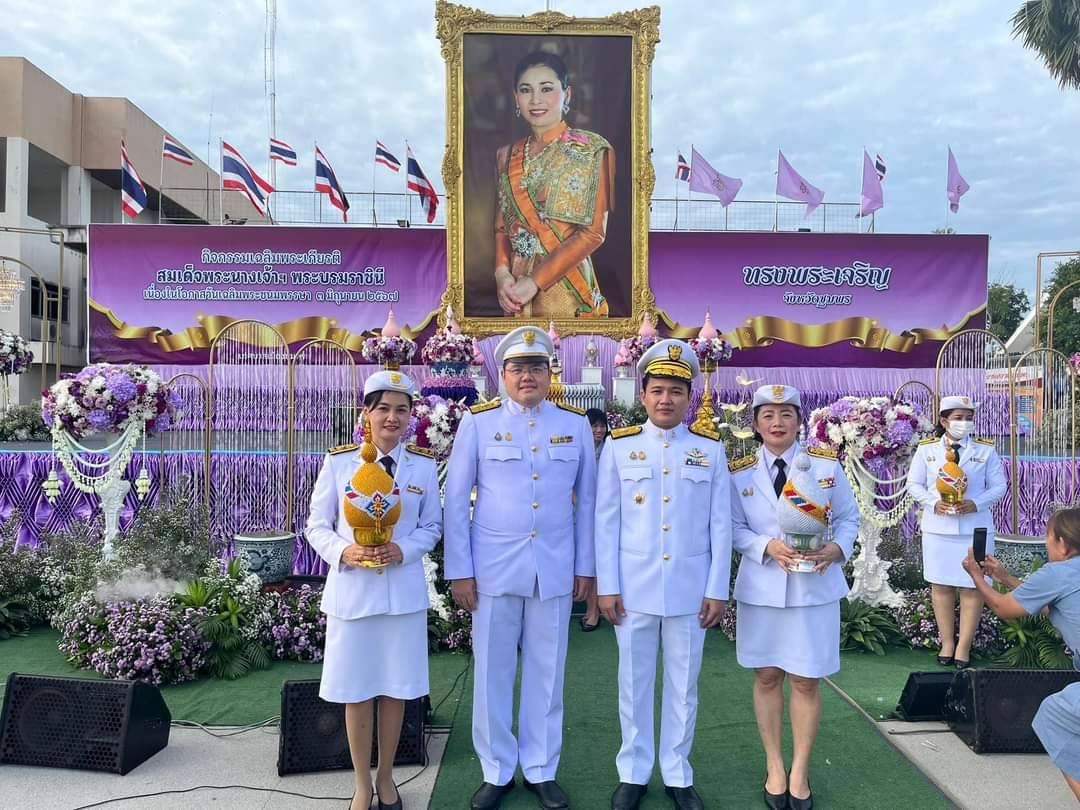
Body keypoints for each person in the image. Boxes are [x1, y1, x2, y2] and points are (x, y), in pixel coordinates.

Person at [444, 325, 597, 810]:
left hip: (553, 566)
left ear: (550, 373)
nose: (527, 376)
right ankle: (496, 769)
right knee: (493, 671)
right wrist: (460, 571)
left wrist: (586, 567)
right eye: (518, 368)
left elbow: (588, 503)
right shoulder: (478, 423)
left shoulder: (574, 424)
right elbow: (456, 502)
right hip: (493, 568)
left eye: (536, 367)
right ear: (502, 374)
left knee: (547, 672)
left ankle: (541, 768)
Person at [595, 339, 732, 810]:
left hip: (691, 589)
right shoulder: (620, 446)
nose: (665, 399)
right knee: (633, 684)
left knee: (683, 685)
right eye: (657, 390)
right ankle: (633, 772)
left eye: (675, 391)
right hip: (633, 587)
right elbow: (605, 521)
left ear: (689, 396)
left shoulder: (710, 450)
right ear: (643, 394)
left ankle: (677, 772)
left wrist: (717, 588)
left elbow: (720, 524)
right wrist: (607, 586)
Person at [306, 370, 442, 810]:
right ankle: (362, 784)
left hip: (401, 596)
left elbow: (432, 526)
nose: (392, 418)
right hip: (353, 595)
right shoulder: (340, 463)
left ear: (411, 416)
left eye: (401, 410)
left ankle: (386, 777)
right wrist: (344, 552)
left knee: (396, 689)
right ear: (366, 412)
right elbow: (316, 526)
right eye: (383, 408)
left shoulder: (422, 466)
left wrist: (403, 549)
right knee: (357, 690)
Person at [728, 384, 859, 810]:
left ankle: (800, 770)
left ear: (800, 421)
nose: (777, 423)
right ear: (755, 424)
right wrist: (765, 546)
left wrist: (837, 549)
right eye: (768, 415)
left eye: (786, 414)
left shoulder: (826, 466)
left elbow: (848, 519)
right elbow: (732, 527)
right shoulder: (740, 473)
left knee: (805, 680)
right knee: (767, 677)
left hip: (813, 589)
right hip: (763, 589)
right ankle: (775, 766)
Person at [961, 507, 1080, 802]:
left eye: (1047, 538)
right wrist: (1004, 577)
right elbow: (1049, 605)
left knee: (1053, 716)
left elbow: (1002, 608)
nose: (1046, 544)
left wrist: (977, 577)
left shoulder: (1059, 572)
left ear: (1063, 545)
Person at [493, 50, 614, 320]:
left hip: (569, 292)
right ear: (516, 98)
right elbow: (501, 229)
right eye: (526, 90)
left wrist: (535, 281)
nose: (535, 100)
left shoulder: (592, 149)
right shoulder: (505, 155)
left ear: (567, 94)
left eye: (546, 89)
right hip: (515, 293)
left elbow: (593, 233)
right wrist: (501, 274)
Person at [906, 394, 1006, 669]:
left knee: (973, 586)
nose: (964, 423)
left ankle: (964, 647)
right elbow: (913, 484)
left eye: (968, 418)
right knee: (941, 586)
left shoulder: (985, 450)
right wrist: (932, 502)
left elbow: (999, 486)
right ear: (944, 421)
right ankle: (947, 642)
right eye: (958, 418)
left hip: (975, 527)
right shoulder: (927, 450)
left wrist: (976, 503)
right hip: (939, 528)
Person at [580, 407, 609, 632]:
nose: (598, 430)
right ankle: (589, 609)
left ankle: (596, 611)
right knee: (585, 561)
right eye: (594, 426)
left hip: (605, 515)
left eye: (602, 426)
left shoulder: (611, 448)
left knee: (599, 564)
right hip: (580, 514)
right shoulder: (578, 448)